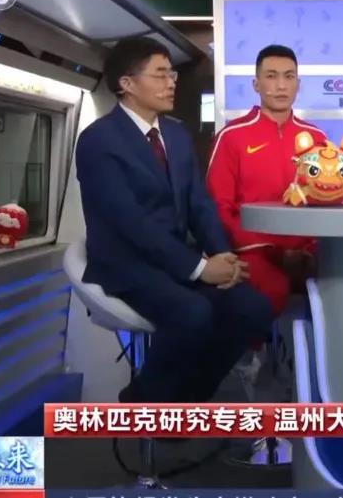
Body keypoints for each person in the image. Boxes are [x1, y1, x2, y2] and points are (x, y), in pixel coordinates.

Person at [75, 37, 272, 403]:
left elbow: (199, 203)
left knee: (253, 308)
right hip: (128, 265)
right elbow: (131, 223)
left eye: (172, 75)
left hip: (175, 262)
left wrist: (222, 256)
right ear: (127, 83)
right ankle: (142, 399)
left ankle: (186, 400)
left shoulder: (176, 135)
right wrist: (199, 269)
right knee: (192, 312)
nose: (171, 83)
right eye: (160, 74)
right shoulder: (98, 141)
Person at [207, 45, 324, 319]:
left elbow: (326, 204)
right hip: (255, 254)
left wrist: (310, 249)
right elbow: (218, 207)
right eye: (271, 76)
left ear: (298, 84)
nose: (281, 85)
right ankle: (255, 347)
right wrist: (270, 251)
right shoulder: (231, 137)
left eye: (289, 76)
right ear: (256, 84)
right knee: (268, 290)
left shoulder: (317, 139)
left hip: (308, 253)